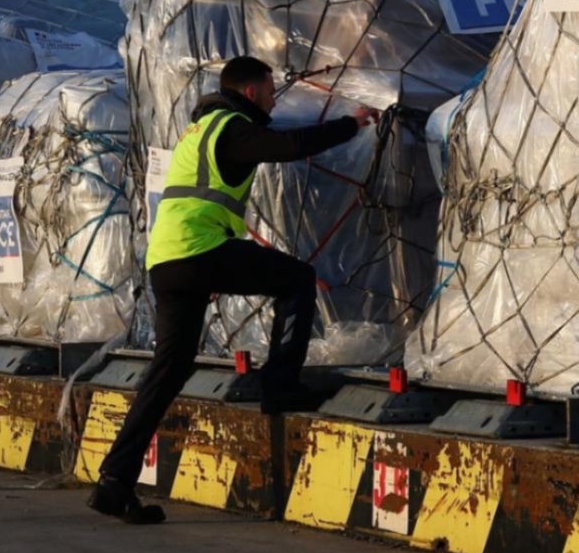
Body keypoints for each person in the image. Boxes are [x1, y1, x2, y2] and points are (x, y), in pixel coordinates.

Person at [89, 55, 378, 524]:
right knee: (297, 280)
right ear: (249, 92)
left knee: (169, 371)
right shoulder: (232, 127)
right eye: (268, 89)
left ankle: (114, 481)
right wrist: (351, 124)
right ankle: (280, 386)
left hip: (168, 260)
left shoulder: (198, 129)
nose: (272, 96)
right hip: (198, 250)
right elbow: (291, 145)